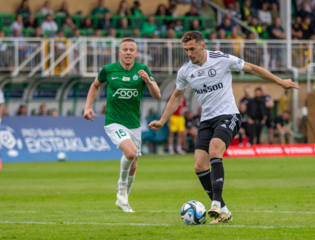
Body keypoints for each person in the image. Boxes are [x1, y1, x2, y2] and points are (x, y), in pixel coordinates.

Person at [148, 31, 299, 224]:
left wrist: (280, 81)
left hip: (228, 115)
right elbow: (176, 96)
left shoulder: (221, 59)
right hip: (207, 120)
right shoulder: (185, 70)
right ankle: (225, 212)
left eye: (192, 49)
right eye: (186, 50)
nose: (189, 53)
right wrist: (162, 120)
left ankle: (216, 204)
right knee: (199, 165)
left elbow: (252, 68)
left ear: (203, 46)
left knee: (214, 151)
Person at [83, 37, 160, 212]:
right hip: (113, 121)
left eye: (131, 50)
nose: (128, 52)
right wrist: (87, 107)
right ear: (119, 52)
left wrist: (148, 81)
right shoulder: (108, 70)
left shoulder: (143, 70)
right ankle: (121, 188)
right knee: (131, 152)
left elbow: (157, 95)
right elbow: (95, 86)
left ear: (136, 53)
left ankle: (123, 202)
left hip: (133, 123)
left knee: (134, 164)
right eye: (125, 49)